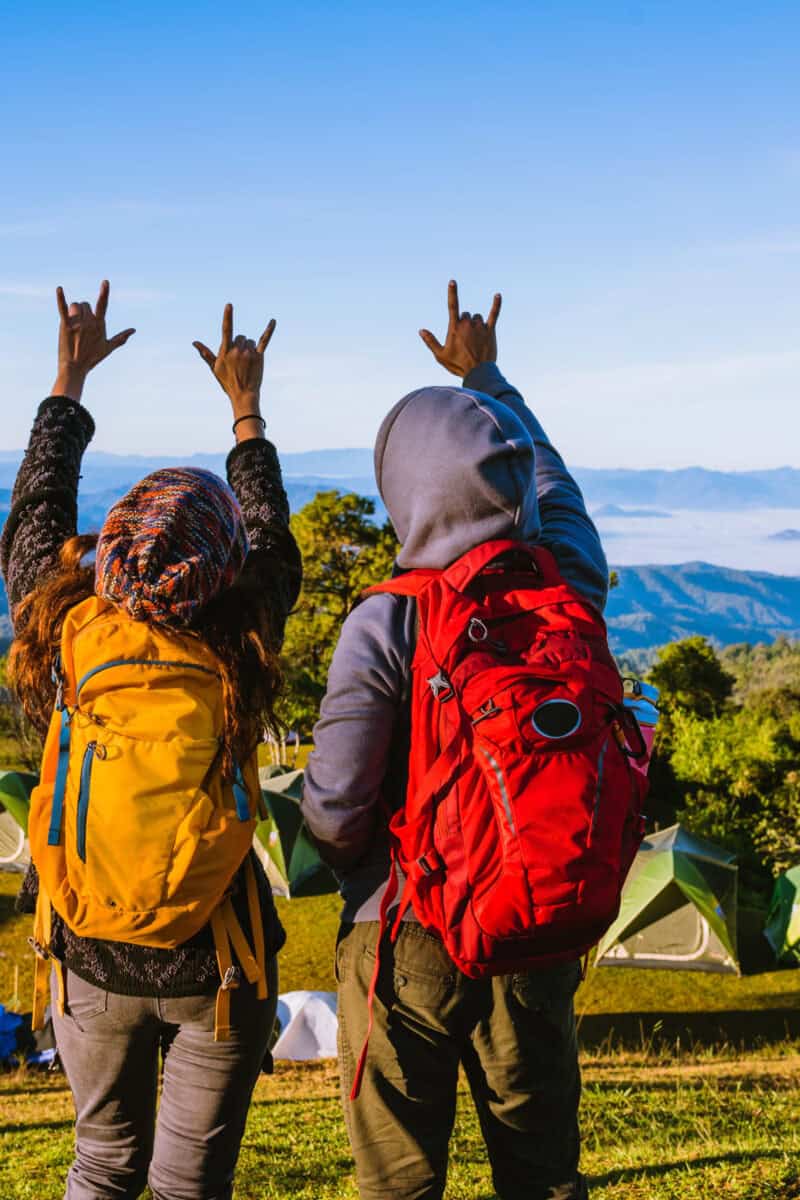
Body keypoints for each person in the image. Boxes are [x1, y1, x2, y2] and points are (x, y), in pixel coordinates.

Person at [302, 281, 608, 1200]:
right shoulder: (570, 581)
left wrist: (354, 867)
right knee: (543, 1173)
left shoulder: (385, 623)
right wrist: (488, 376)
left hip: (408, 933)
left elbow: (336, 809)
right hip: (538, 921)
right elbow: (552, 479)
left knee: (401, 1180)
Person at [1, 282, 302, 1200]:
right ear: (224, 567)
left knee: (100, 1164)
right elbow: (272, 538)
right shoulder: (243, 634)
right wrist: (245, 410)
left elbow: (35, 518)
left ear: (116, 545)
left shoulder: (58, 628)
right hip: (219, 960)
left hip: (86, 953)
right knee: (186, 1186)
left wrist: (70, 376)